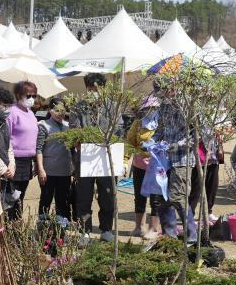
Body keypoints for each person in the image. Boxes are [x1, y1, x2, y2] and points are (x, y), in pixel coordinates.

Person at [148, 77, 197, 241]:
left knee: (177, 196)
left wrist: (176, 145)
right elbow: (160, 130)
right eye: (158, 91)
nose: (161, 94)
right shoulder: (163, 107)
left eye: (163, 90)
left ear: (172, 87)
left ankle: (191, 236)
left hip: (181, 159)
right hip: (164, 160)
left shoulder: (188, 106)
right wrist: (151, 143)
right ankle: (169, 237)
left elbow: (195, 136)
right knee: (161, 198)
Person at [72, 72, 117, 240]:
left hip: (106, 158)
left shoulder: (112, 106)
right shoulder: (78, 107)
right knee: (84, 196)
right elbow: (74, 129)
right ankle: (85, 230)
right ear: (87, 89)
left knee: (107, 195)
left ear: (104, 88)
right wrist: (78, 138)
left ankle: (106, 229)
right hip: (84, 159)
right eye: (91, 89)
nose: (95, 92)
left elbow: (119, 129)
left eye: (98, 88)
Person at [124, 93, 161, 239]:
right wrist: (125, 160)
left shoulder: (162, 122)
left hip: (157, 165)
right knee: (139, 196)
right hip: (139, 165)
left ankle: (153, 228)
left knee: (155, 198)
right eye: (147, 108)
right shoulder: (138, 123)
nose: (150, 110)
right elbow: (129, 141)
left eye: (153, 107)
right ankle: (138, 227)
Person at [4, 80, 40, 221]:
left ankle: (16, 225)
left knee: (21, 195)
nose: (31, 99)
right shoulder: (12, 112)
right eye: (28, 95)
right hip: (14, 161)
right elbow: (6, 138)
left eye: (34, 96)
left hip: (27, 161)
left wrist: (36, 162)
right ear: (19, 95)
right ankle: (11, 225)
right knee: (13, 196)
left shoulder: (30, 113)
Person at [39, 96, 75, 226]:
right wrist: (40, 169)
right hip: (48, 171)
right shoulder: (43, 126)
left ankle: (62, 228)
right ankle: (42, 227)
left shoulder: (68, 126)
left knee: (63, 201)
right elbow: (39, 149)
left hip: (65, 171)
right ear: (50, 110)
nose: (60, 113)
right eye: (56, 110)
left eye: (62, 110)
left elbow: (72, 149)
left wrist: (74, 168)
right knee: (45, 200)